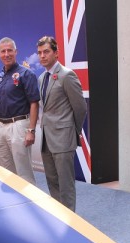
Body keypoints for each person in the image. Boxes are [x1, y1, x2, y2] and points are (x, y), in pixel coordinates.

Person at [36, 36, 87, 211]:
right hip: (46, 140)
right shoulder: (42, 78)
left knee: (66, 184)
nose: (42, 56)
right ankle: (59, 215)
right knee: (52, 181)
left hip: (63, 139)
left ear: (56, 53)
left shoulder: (67, 75)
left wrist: (72, 131)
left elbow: (80, 107)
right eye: (40, 53)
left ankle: (70, 222)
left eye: (46, 52)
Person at [0, 37, 40, 185]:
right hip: (2, 127)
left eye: (9, 50)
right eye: (3, 51)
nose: (6, 54)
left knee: (24, 173)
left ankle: (30, 205)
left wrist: (31, 130)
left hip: (19, 125)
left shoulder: (26, 74)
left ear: (16, 52)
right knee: (6, 173)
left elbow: (34, 103)